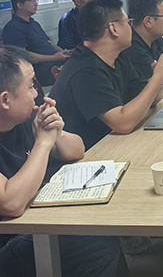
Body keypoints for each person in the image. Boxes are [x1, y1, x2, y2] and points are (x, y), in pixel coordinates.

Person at [0, 45, 128, 277]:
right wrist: (43, 143)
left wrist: (56, 131)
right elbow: (11, 203)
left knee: (100, 224)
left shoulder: (21, 120)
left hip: (34, 221)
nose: (36, 93)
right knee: (96, 243)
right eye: (30, 86)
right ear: (6, 100)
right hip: (8, 241)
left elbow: (77, 150)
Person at [50, 0, 163, 150]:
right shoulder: (85, 70)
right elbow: (123, 124)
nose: (131, 28)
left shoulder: (118, 57)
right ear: (114, 29)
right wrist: (157, 79)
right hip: (90, 154)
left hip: (112, 143)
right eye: (127, 22)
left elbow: (149, 99)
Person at [2, 0, 70, 86]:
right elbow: (23, 55)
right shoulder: (13, 28)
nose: (36, 4)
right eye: (32, 1)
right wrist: (54, 57)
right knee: (77, 74)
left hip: (55, 63)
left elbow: (49, 43)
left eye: (36, 1)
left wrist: (65, 52)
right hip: (42, 72)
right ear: (19, 5)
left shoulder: (34, 23)